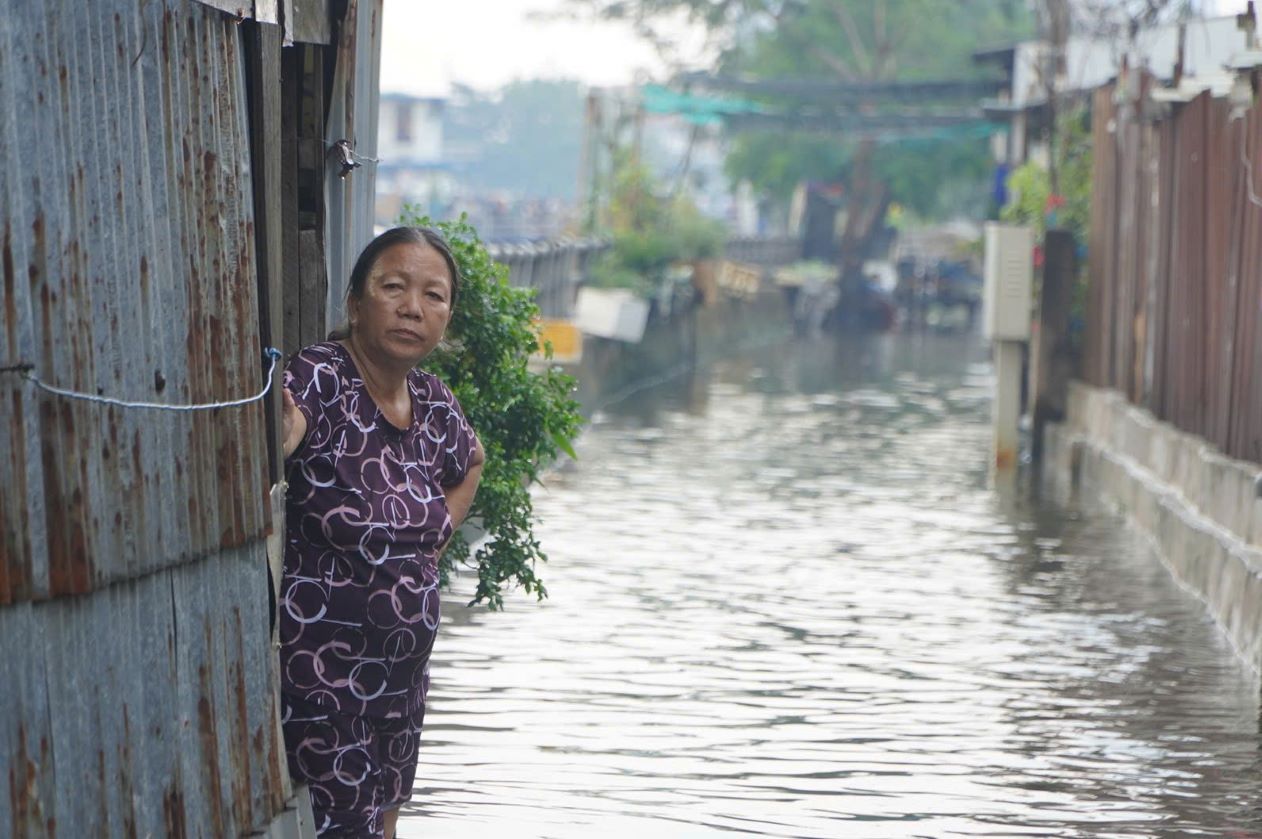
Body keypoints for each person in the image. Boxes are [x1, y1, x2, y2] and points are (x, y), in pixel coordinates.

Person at [277, 226, 484, 838]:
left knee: (386, 825)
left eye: (433, 296)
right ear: (355, 303)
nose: (413, 307)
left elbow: (471, 462)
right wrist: (280, 430)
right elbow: (286, 425)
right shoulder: (324, 375)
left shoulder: (433, 402)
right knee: (347, 830)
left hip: (401, 681)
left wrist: (435, 538)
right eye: (393, 287)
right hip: (325, 677)